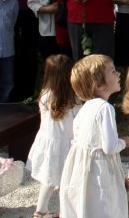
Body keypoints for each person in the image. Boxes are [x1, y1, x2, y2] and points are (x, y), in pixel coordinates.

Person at [59, 54, 129, 218]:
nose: (118, 74)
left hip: (83, 169)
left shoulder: (84, 109)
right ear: (99, 85)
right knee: (106, 207)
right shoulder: (105, 108)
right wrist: (126, 142)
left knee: (88, 207)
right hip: (100, 170)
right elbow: (109, 146)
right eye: (112, 72)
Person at [27, 54, 80, 218]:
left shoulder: (45, 94)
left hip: (49, 142)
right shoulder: (73, 99)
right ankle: (67, 211)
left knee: (48, 180)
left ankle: (41, 210)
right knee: (69, 180)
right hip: (66, 144)